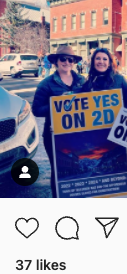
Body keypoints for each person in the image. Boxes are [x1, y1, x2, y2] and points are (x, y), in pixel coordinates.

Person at [32, 46, 85, 197]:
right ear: (56, 61)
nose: (67, 62)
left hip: (77, 135)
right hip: (54, 136)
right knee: (58, 171)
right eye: (63, 59)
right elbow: (36, 109)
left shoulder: (81, 80)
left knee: (76, 169)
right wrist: (57, 104)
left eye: (70, 59)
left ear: (74, 62)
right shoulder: (46, 84)